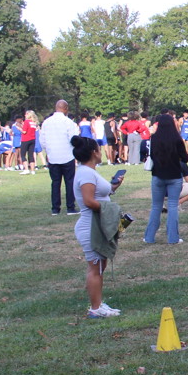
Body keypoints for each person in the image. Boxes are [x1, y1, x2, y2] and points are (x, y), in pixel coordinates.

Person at [70, 135, 124, 318]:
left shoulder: (89, 171)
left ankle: (99, 303)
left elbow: (101, 193)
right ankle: (95, 308)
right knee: (95, 268)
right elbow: (88, 201)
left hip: (97, 224)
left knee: (100, 265)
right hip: (90, 226)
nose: (101, 153)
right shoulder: (86, 173)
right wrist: (111, 209)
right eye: (99, 150)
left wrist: (114, 187)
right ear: (94, 152)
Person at [143, 114, 188, 244]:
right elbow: (185, 158)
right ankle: (173, 238)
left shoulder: (154, 138)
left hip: (158, 175)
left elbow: (152, 155)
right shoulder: (177, 139)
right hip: (174, 175)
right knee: (173, 206)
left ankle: (149, 237)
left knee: (156, 206)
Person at [39, 100, 81, 215]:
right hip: (67, 155)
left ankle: (55, 209)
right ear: (66, 108)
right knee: (69, 182)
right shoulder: (68, 122)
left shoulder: (46, 122)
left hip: (53, 156)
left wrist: (48, 150)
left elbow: (42, 140)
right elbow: (73, 139)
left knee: (55, 183)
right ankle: (70, 207)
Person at [19, 110, 38, 175]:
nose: (25, 115)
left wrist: (19, 128)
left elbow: (24, 131)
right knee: (31, 155)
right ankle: (32, 170)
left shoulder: (26, 122)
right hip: (33, 139)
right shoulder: (33, 122)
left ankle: (26, 169)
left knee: (23, 154)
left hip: (25, 139)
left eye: (26, 114)